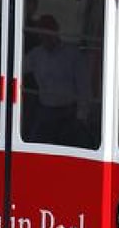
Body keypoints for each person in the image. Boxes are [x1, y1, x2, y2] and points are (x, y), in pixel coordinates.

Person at [22, 15, 90, 145]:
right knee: (35, 149)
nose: (46, 37)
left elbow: (83, 86)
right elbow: (16, 71)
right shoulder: (35, 55)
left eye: (48, 32)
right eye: (42, 33)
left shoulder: (72, 54)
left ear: (56, 30)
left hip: (68, 114)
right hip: (44, 113)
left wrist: (82, 115)